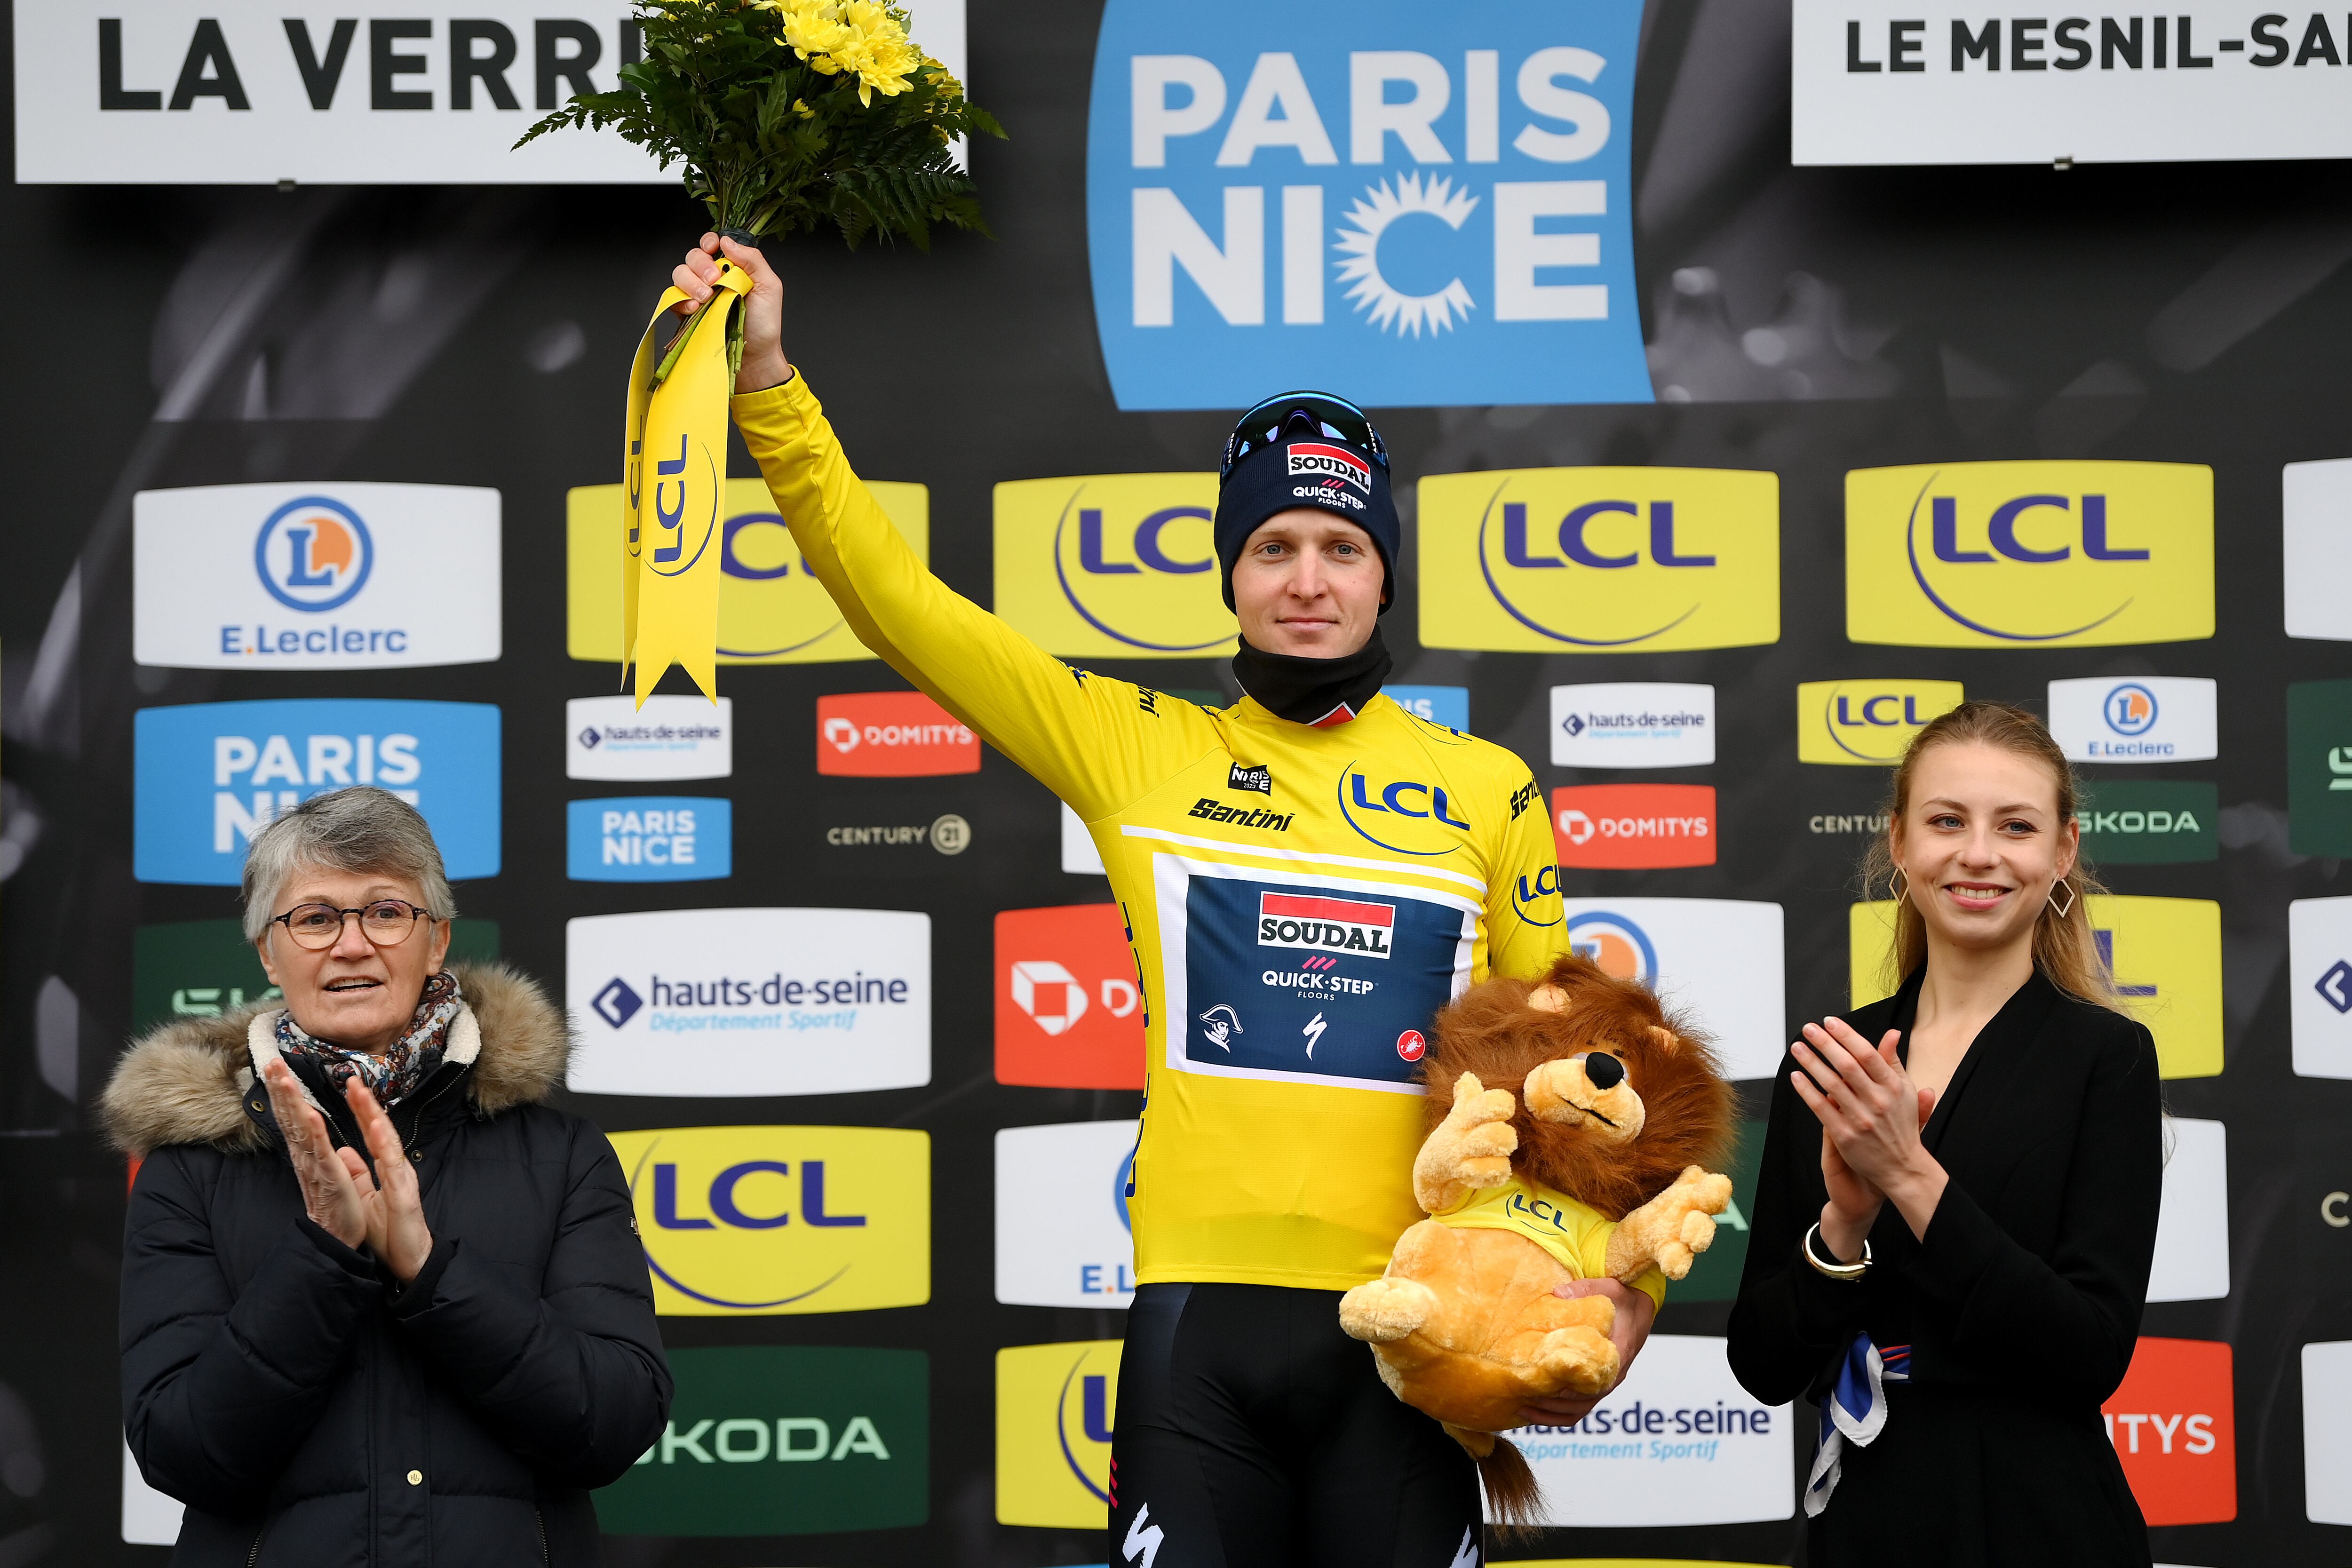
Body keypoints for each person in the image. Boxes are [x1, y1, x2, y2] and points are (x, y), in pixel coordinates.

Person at [672, 233, 1652, 1565]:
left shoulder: (1485, 785)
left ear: (1385, 574)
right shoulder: (1136, 744)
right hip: (1199, 1323)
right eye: (1275, 546)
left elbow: (1581, 1081)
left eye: (1343, 547)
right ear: (1230, 573)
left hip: (1416, 1320)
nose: (1309, 580)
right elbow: (896, 602)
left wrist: (1623, 1287)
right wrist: (770, 381)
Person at [104, 786, 670, 1567]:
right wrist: (324, 1259)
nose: (352, 944)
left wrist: (432, 1273)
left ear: (436, 940)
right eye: (314, 917)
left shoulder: (563, 1155)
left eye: (386, 911)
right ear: (269, 953)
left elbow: (614, 1426)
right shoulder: (189, 1169)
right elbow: (183, 1453)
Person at [1726, 701, 2162, 1565]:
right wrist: (1842, 1229)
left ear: (2063, 851)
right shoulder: (1831, 1059)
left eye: (2016, 826)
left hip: (2041, 1521)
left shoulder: (2106, 1057)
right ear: (1898, 842)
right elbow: (1764, 1364)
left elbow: (2089, 1353)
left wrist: (1909, 1177)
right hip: (1865, 1524)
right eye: (1946, 821)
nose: (1978, 853)